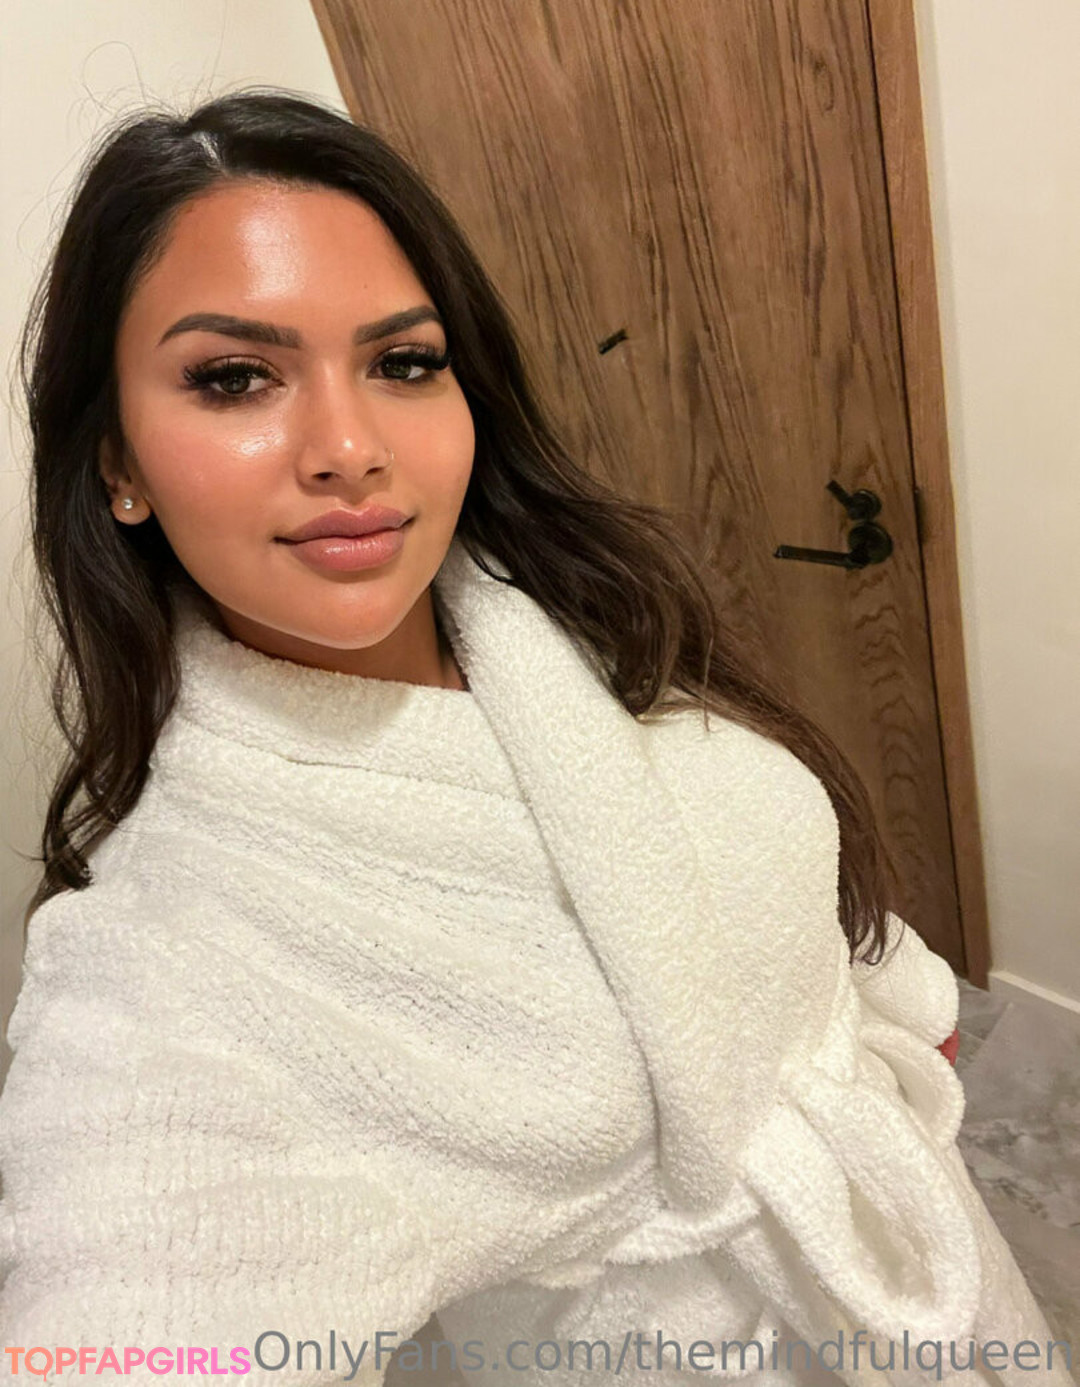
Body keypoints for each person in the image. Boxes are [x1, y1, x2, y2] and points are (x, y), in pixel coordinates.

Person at [0, 88, 1070, 1387]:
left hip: (930, 1280)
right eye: (234, 378)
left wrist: (895, 1001)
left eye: (404, 363)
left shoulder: (568, 618)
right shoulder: (160, 966)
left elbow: (755, 899)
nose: (349, 446)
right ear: (117, 461)